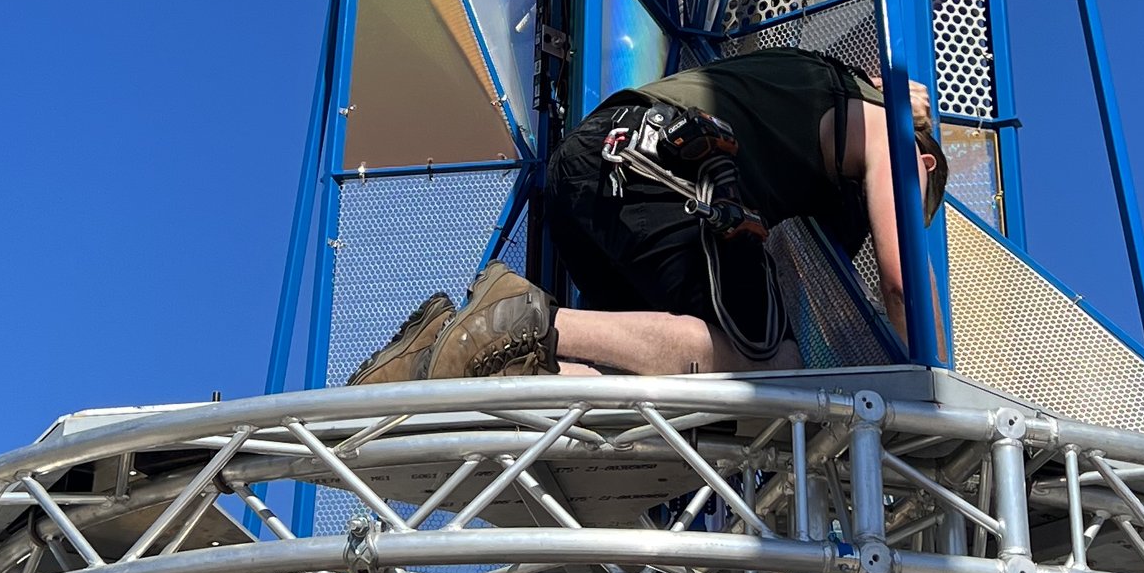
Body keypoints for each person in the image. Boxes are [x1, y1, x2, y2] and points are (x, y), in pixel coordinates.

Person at [345, 48, 948, 386]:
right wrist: (941, 396)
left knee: (655, 366)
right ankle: (516, 321)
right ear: (923, 159)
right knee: (775, 361)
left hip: (596, 166)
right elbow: (902, 287)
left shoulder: (810, 94)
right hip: (658, 161)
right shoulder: (888, 132)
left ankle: (435, 351)